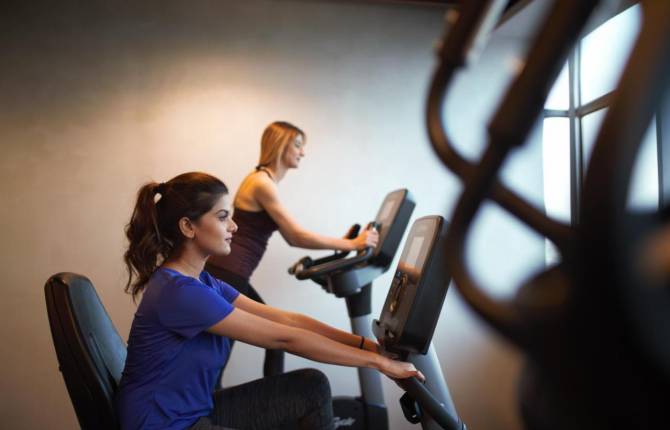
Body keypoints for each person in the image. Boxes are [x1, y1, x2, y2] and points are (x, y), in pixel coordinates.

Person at [116, 172, 422, 430]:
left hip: (194, 412)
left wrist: (370, 347)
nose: (234, 227)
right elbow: (284, 338)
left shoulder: (203, 281)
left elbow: (288, 320)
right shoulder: (180, 292)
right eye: (223, 217)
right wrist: (378, 363)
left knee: (310, 386)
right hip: (163, 425)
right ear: (188, 227)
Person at [206, 122, 379, 375]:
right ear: (280, 145)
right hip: (230, 273)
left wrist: (344, 244)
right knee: (222, 352)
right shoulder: (261, 183)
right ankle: (223, 397)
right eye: (297, 145)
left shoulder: (261, 180)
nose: (302, 152)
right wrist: (354, 244)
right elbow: (296, 236)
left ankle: (271, 397)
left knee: (273, 339)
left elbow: (293, 235)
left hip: (230, 271)